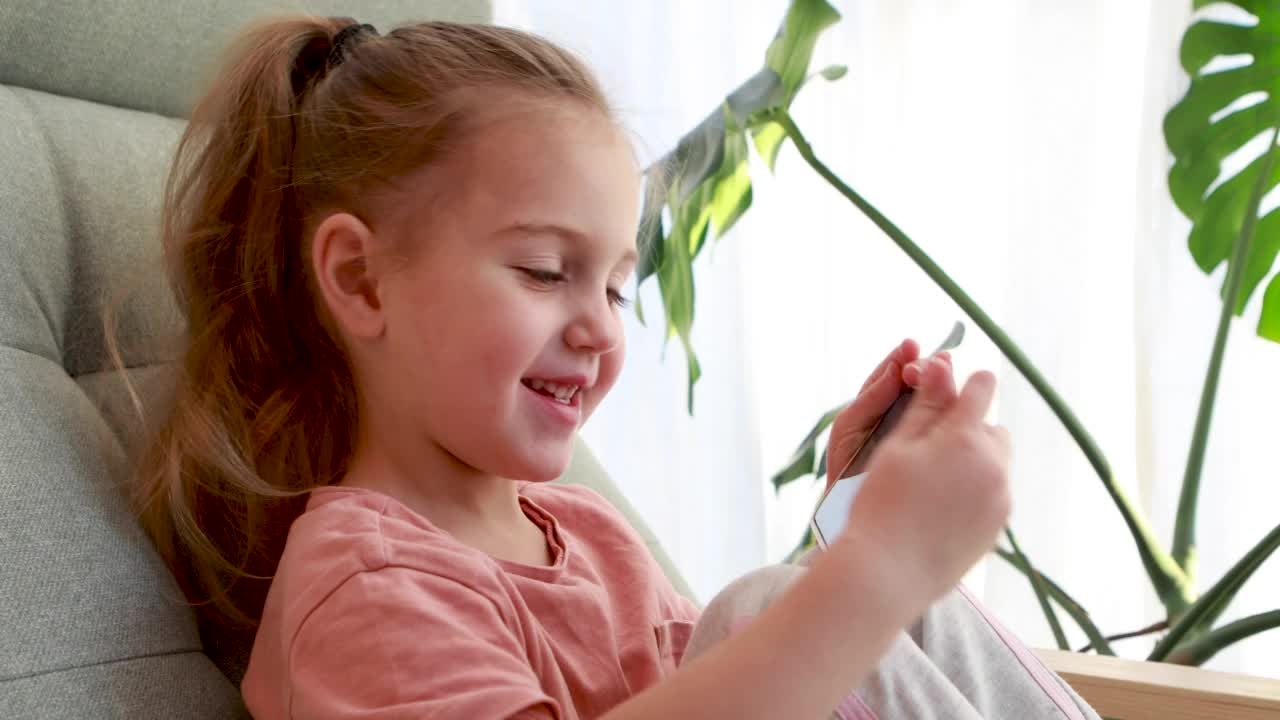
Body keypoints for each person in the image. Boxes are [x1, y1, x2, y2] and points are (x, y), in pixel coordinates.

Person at [130, 15, 1100, 720]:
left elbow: (749, 692)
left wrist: (849, 520)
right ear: (361, 280)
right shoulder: (364, 588)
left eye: (615, 288)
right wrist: (873, 567)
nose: (596, 326)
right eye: (547, 271)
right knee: (782, 605)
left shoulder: (589, 538)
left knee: (799, 605)